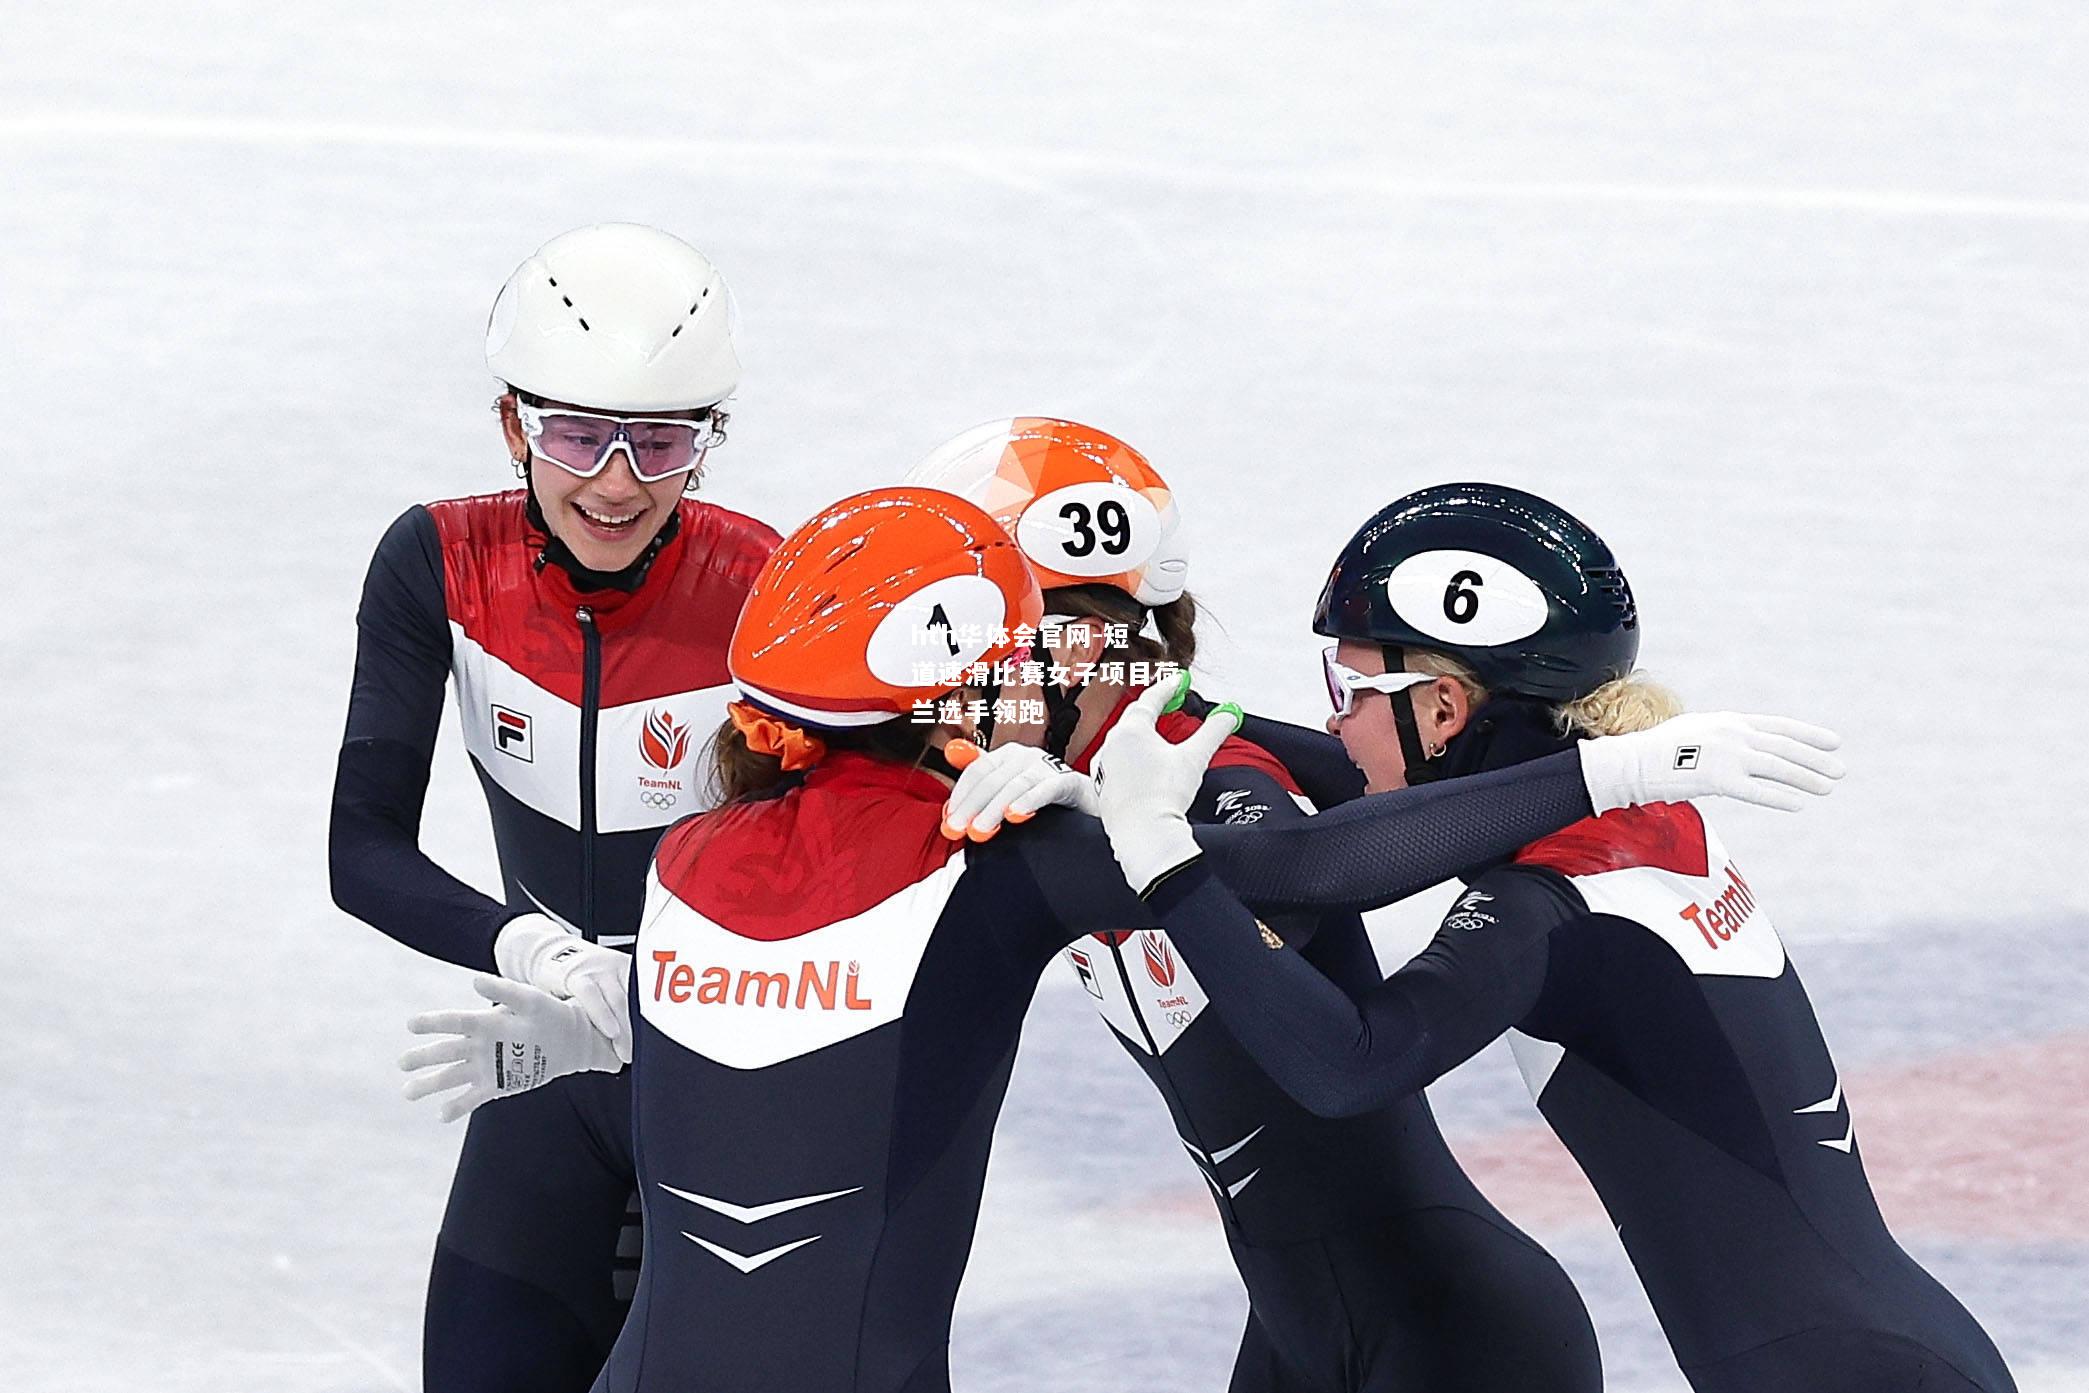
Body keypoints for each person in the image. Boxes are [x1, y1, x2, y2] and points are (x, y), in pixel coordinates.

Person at [400, 484, 1841, 1392]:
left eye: (1095, 627)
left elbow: (1301, 858)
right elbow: (846, 949)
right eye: (1039, 633)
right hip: (1300, 1329)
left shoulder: (1161, 792)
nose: (1070, 659)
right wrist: (635, 1000)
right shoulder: (1000, 830)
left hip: (1438, 1333)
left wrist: (1611, 773)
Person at [1078, 483, 2014, 1393]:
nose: (1332, 715)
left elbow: (1348, 1064)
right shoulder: (1617, 808)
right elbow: (1345, 840)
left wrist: (1165, 861)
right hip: (1882, 1347)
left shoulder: (1553, 900)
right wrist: (1135, 718)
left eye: (1350, 685)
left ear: (1443, 708)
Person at [909, 418, 1602, 1391]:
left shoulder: (1216, 774)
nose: (939, 678)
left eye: (965, 639)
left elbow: (1293, 885)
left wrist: (1140, 839)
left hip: (1454, 1342)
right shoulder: (1036, 767)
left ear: (1076, 642)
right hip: (1301, 1330)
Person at [329, 222, 779, 1392]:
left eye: (662, 441)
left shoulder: (765, 584)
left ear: (707, 439)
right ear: (510, 425)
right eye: (575, 435)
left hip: (727, 1083)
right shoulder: (436, 560)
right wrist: (523, 942)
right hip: (542, 1071)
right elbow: (361, 848)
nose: (617, 482)